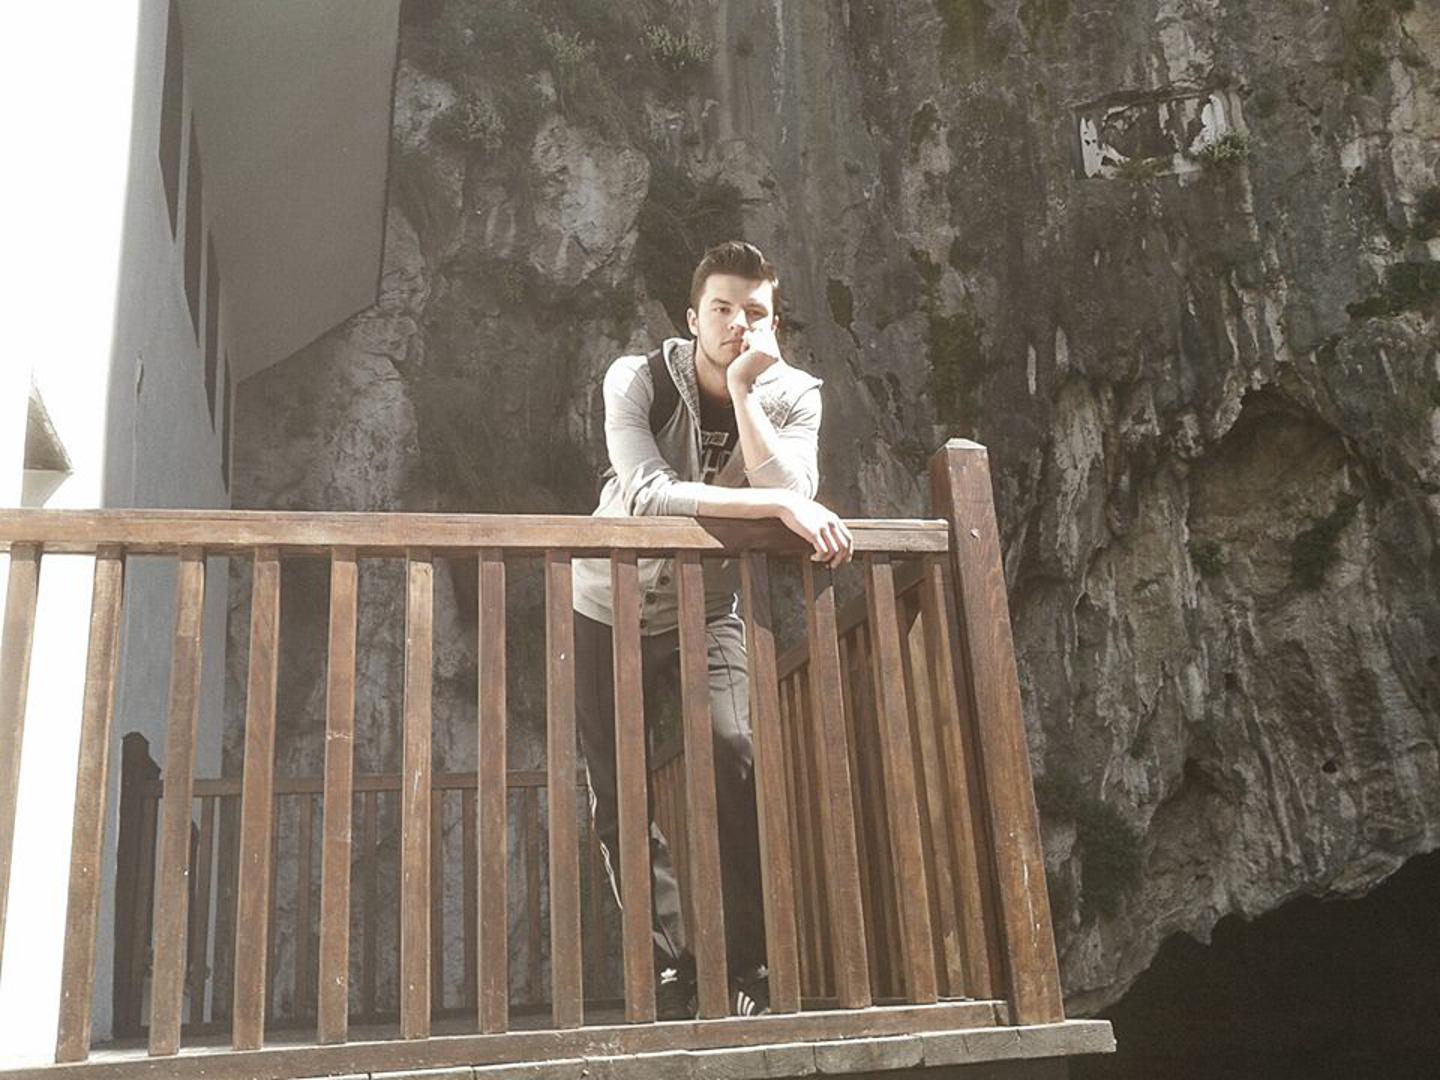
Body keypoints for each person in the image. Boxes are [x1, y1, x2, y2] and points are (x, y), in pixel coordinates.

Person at [571, 240, 853, 1019]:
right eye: (721, 309)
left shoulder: (795, 395)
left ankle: (748, 965)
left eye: (754, 313)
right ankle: (669, 967)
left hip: (708, 607)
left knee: (734, 751)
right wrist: (779, 506)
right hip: (605, 603)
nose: (737, 324)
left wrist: (745, 393)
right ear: (692, 318)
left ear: (774, 324)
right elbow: (647, 493)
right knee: (619, 788)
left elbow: (797, 485)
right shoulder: (636, 379)